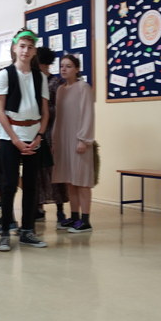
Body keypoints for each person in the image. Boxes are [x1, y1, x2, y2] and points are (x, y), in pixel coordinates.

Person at [0, 28, 49, 251]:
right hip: (10, 136)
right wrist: (15, 139)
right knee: (8, 185)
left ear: (34, 51)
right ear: (15, 48)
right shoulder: (4, 75)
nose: (26, 50)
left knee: (32, 185)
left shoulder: (39, 77)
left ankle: (27, 230)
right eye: (22, 46)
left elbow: (45, 111)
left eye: (30, 47)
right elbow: (0, 111)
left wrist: (39, 135)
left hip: (34, 136)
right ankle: (6, 229)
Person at [52, 54, 95, 233]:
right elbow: (58, 117)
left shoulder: (83, 87)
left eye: (68, 66)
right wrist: (55, 140)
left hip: (79, 141)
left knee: (82, 182)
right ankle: (75, 216)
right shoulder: (61, 90)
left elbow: (87, 114)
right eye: (62, 66)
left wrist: (84, 139)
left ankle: (85, 220)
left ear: (77, 69)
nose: (64, 69)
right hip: (64, 140)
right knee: (70, 181)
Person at [33, 47, 69, 224]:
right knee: (38, 172)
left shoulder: (56, 83)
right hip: (36, 131)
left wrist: (45, 110)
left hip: (53, 131)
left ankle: (60, 210)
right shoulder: (34, 81)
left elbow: (61, 108)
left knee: (55, 171)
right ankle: (38, 207)